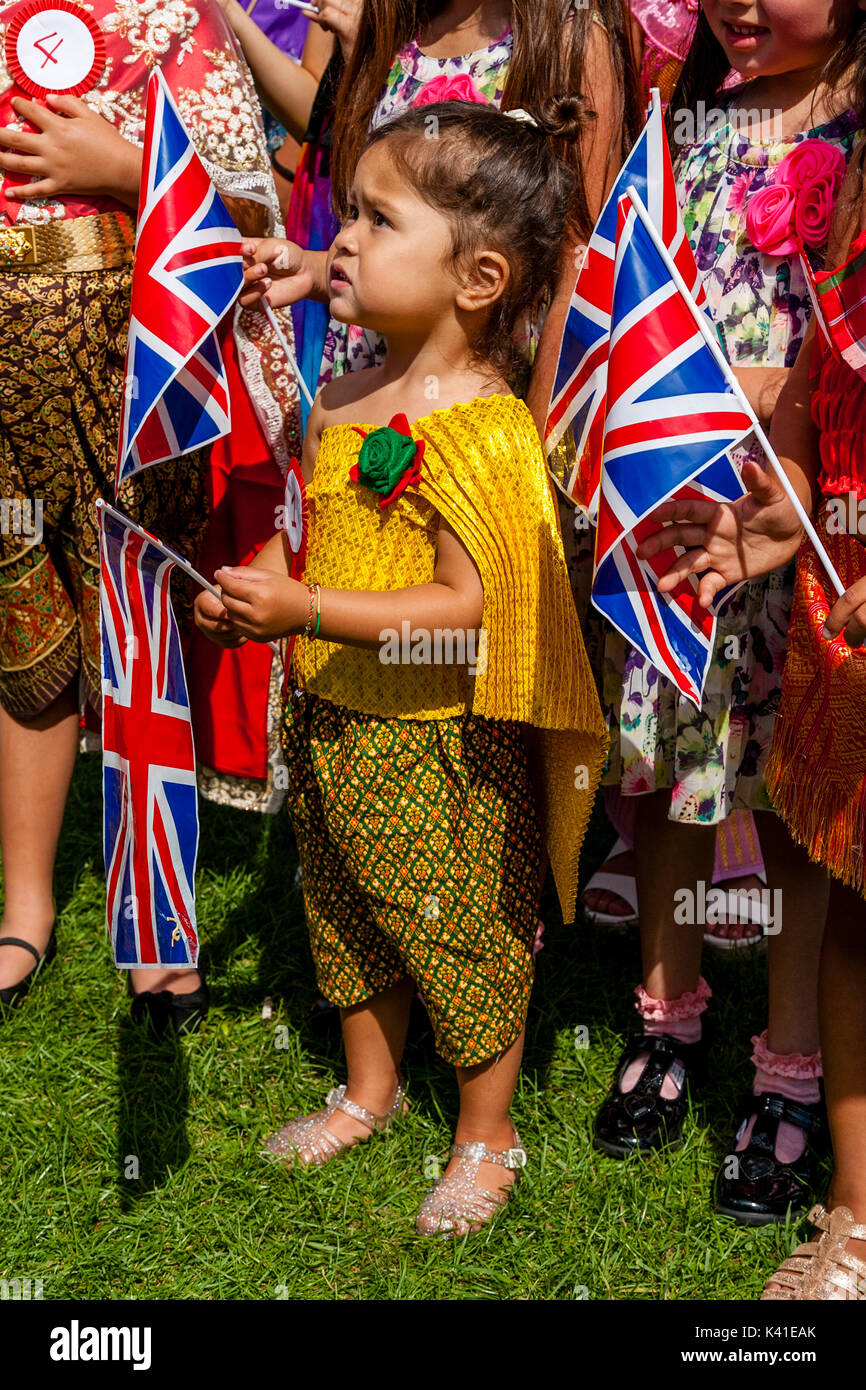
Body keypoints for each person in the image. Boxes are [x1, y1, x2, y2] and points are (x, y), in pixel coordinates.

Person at [194, 99, 608, 1236]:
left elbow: (471, 613)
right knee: (344, 912)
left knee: (459, 928)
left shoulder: (481, 427)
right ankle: (367, 1090)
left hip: (439, 740)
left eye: (376, 220)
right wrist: (259, 600)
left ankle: (487, 1131)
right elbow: (313, 530)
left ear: (476, 277)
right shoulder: (340, 394)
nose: (342, 238)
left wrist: (309, 607)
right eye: (350, 213)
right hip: (328, 717)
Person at [590, 0, 866, 1227]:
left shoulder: (856, 127)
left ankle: (792, 1058)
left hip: (802, 504)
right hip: (678, 500)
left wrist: (779, 439)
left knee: (795, 792)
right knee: (668, 758)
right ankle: (666, 1008)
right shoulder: (680, 119)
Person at [0, 0, 296, 1028]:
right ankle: (26, 905)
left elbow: (256, 215)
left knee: (136, 632)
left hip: (137, 386)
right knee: (19, 634)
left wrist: (126, 170)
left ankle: (157, 925)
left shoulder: (179, 21)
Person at [240, 0, 640, 421]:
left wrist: (537, 440)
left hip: (480, 416)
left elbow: (578, 269)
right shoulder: (393, 23)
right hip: (364, 396)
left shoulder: (568, 41)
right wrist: (315, 269)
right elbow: (396, 241)